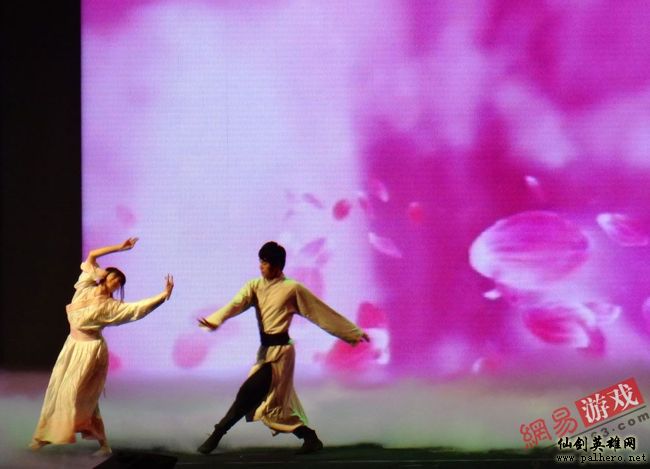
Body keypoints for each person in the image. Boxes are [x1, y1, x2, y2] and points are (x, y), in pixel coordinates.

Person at [197, 241, 369, 454]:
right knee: (274, 407)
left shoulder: (292, 289)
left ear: (277, 266)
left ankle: (216, 435)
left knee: (249, 393)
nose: (261, 266)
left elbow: (320, 312)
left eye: (265, 262)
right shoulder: (254, 286)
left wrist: (352, 332)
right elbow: (236, 304)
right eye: (261, 261)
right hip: (265, 353)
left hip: (281, 354)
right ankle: (309, 437)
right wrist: (215, 320)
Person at [29, 238, 174, 455]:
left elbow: (138, 309)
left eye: (120, 282)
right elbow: (92, 256)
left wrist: (163, 296)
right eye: (114, 277)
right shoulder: (85, 287)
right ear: (105, 276)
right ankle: (52, 438)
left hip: (90, 351)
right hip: (72, 346)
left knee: (72, 393)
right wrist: (120, 248)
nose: (116, 282)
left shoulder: (112, 307)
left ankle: (52, 436)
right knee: (60, 391)